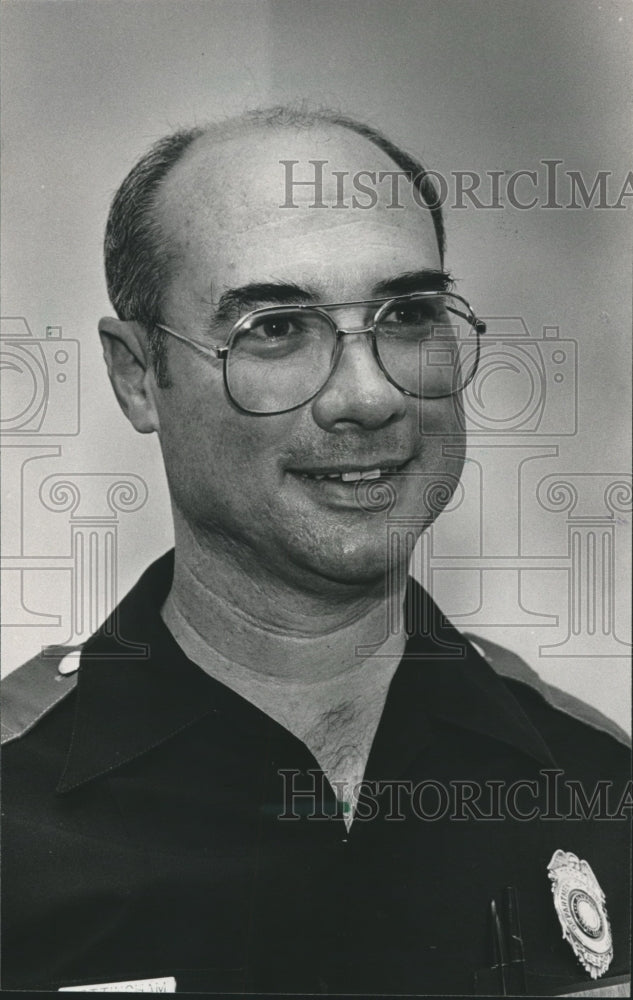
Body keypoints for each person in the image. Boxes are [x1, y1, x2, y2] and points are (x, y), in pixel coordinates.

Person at [2, 106, 630, 996]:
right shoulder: (13, 801)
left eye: (408, 313)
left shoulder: (595, 780)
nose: (369, 395)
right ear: (138, 375)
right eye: (274, 327)